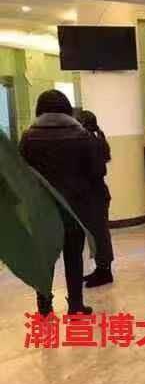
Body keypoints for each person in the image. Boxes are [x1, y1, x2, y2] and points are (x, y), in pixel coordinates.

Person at [19, 90, 103, 315]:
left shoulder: (29, 137)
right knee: (73, 257)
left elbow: (21, 175)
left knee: (44, 260)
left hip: (42, 211)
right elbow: (97, 172)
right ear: (67, 109)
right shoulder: (82, 136)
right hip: (75, 209)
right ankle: (75, 305)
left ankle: (44, 305)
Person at [76, 110, 114, 287]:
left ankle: (105, 272)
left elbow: (97, 170)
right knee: (98, 234)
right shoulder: (95, 139)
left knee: (100, 235)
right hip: (97, 194)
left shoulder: (91, 142)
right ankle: (101, 269)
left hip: (95, 196)